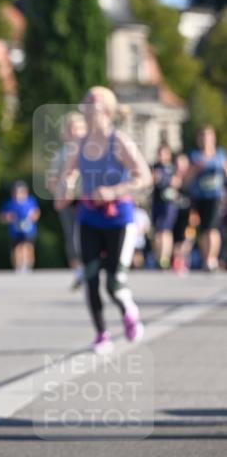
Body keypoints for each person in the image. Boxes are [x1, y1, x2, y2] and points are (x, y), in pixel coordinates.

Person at [57, 86, 152, 356]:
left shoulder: (118, 141)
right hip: (88, 217)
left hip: (119, 219)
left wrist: (112, 191)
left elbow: (144, 176)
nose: (87, 109)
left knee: (113, 281)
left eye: (93, 105)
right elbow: (67, 177)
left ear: (107, 111)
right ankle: (101, 333)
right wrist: (67, 186)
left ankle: (128, 310)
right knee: (90, 277)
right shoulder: (80, 144)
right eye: (85, 104)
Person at [48, 111, 85, 289]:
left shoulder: (91, 150)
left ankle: (91, 268)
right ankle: (79, 271)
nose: (75, 131)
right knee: (71, 236)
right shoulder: (60, 154)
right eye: (71, 128)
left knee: (87, 234)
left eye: (78, 127)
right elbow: (51, 180)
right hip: (67, 201)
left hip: (87, 199)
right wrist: (59, 194)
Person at [185, 125, 226, 272]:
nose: (205, 139)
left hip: (215, 196)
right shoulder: (194, 155)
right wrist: (195, 169)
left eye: (208, 136)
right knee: (202, 229)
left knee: (212, 227)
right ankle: (205, 258)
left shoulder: (220, 154)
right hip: (199, 196)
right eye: (202, 136)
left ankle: (212, 258)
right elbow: (186, 179)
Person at [0, 180, 40, 272]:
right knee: (17, 248)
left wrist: (33, 216)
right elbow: (2, 216)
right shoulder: (9, 203)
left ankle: (28, 265)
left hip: (29, 229)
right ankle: (18, 266)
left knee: (28, 246)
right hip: (15, 230)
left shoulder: (30, 201)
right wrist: (7, 217)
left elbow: (36, 213)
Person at [151, 143, 178, 269]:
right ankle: (158, 257)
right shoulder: (154, 167)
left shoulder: (172, 168)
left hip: (168, 204)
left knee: (165, 231)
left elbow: (177, 182)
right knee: (157, 232)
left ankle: (165, 258)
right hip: (157, 202)